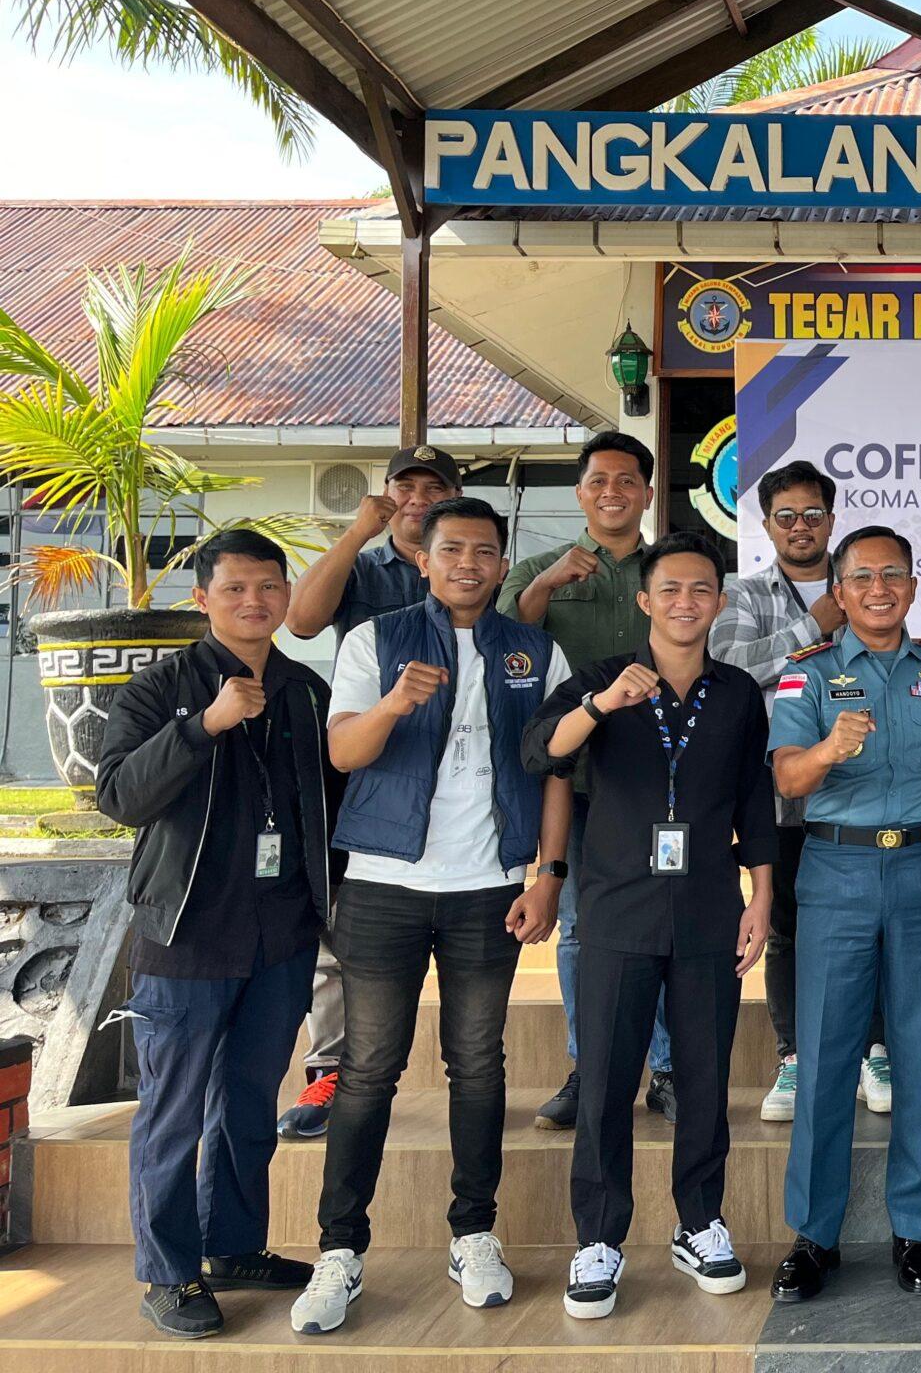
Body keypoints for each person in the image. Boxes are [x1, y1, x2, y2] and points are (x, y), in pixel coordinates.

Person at [290, 497, 569, 1336]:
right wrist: (391, 705)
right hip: (384, 883)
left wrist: (548, 874)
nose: (468, 565)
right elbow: (343, 751)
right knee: (369, 1068)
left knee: (478, 1065)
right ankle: (340, 1250)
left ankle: (473, 1233)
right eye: (452, 550)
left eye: (484, 552)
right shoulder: (374, 641)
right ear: (422, 559)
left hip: (489, 885)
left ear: (503, 563)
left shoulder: (535, 651)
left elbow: (557, 768)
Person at [523, 532, 777, 1317]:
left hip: (708, 905)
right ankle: (599, 1237)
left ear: (719, 603)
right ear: (645, 601)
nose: (685, 602)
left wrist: (762, 896)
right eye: (670, 589)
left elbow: (753, 800)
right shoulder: (600, 680)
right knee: (605, 1080)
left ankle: (699, 1222)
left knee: (704, 1076)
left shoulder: (737, 693)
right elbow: (541, 752)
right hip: (617, 905)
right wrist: (601, 706)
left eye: (701, 589)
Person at [97, 531, 342, 1339]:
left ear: (285, 596)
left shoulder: (307, 691)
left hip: (281, 936)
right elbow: (118, 796)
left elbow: (332, 803)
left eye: (268, 587)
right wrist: (204, 724)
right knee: (172, 1112)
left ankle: (232, 1247)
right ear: (202, 599)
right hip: (186, 936)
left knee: (246, 1105)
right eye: (234, 588)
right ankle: (168, 1273)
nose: (254, 602)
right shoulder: (159, 689)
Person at [767, 526, 921, 1303]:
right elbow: (789, 779)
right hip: (838, 871)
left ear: (911, 584)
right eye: (861, 577)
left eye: (892, 575)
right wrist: (828, 749)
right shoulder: (807, 674)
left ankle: (915, 1231)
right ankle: (814, 1236)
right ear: (839, 590)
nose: (878, 589)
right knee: (827, 1055)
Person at [277, 445, 461, 1141]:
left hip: (460, 771)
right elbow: (300, 621)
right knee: (339, 922)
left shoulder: (469, 561)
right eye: (405, 486)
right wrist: (357, 532)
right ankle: (329, 1070)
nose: (418, 499)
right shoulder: (360, 564)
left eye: (433, 488)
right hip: (362, 761)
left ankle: (474, 1079)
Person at [709, 458, 888, 1124]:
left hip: (865, 789)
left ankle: (872, 1051)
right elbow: (727, 668)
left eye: (813, 513)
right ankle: (794, 1057)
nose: (800, 526)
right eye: (786, 516)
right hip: (781, 794)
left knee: (867, 927)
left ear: (831, 520)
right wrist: (812, 625)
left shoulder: (863, 584)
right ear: (767, 526)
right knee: (787, 929)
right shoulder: (745, 593)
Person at [498, 432, 668, 1131]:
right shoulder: (539, 568)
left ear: (647, 493)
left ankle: (666, 1070)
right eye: (598, 480)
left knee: (662, 923)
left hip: (660, 774)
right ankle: (587, 1067)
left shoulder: (667, 569)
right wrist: (546, 586)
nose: (612, 492)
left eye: (627, 481)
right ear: (579, 493)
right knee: (577, 929)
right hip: (573, 777)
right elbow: (503, 645)